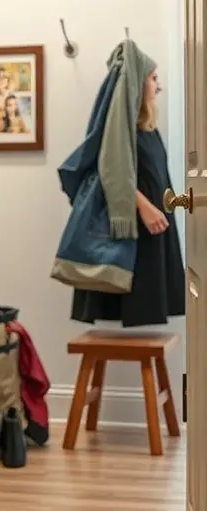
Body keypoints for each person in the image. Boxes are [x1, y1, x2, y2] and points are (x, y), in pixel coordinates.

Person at [72, 62, 185, 327]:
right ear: (136, 84)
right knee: (134, 310)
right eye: (153, 78)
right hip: (134, 233)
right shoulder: (118, 133)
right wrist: (143, 205)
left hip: (153, 230)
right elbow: (106, 173)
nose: (159, 86)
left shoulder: (149, 131)